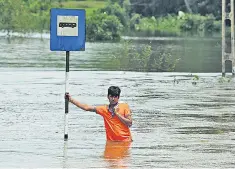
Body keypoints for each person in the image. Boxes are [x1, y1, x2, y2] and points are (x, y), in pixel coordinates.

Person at [65, 86, 132, 142]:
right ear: (108, 96)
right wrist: (71, 100)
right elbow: (86, 108)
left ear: (118, 97)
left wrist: (117, 114)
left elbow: (129, 123)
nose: (113, 99)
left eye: (115, 97)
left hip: (126, 141)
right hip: (111, 142)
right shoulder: (104, 109)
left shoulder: (124, 106)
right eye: (111, 96)